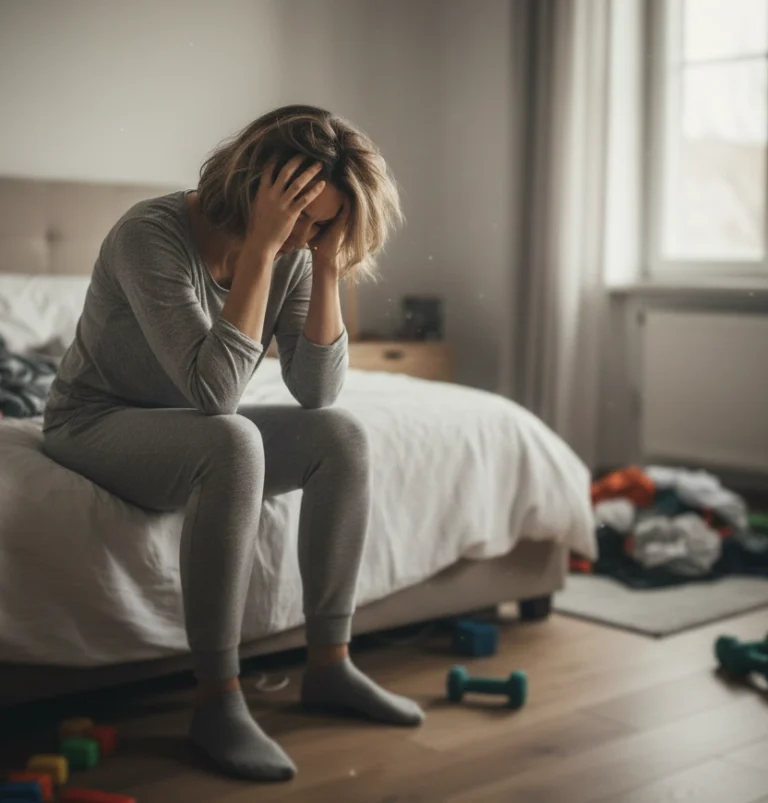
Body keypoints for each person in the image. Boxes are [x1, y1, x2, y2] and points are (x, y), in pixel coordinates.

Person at [41, 104, 423, 782]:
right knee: (234, 440)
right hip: (95, 419)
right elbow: (214, 394)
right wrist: (261, 251)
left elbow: (316, 391)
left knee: (342, 436)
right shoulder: (148, 236)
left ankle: (329, 663)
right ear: (257, 184)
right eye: (302, 216)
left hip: (190, 425)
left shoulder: (300, 251)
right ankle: (217, 699)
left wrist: (328, 266)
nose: (307, 235)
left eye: (323, 223)